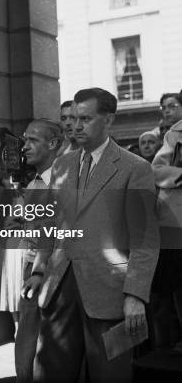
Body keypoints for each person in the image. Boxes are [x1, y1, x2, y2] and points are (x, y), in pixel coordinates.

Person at [25, 87, 159, 382]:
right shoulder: (61, 165)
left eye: (85, 119)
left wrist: (135, 294)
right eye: (72, 119)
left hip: (111, 292)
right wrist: (38, 269)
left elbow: (145, 239)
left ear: (108, 120)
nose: (75, 126)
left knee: (110, 376)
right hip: (59, 287)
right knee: (48, 374)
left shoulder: (135, 168)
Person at [15, 119, 62, 383]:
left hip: (50, 272)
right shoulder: (35, 183)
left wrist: (40, 271)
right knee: (28, 342)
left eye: (32, 140)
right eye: (24, 139)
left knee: (44, 347)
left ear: (53, 143)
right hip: (31, 267)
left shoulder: (64, 180)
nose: (24, 146)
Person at [150, 93, 182, 351]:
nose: (168, 110)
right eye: (166, 107)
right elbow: (156, 170)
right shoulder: (175, 134)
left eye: (173, 105)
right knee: (176, 285)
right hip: (176, 221)